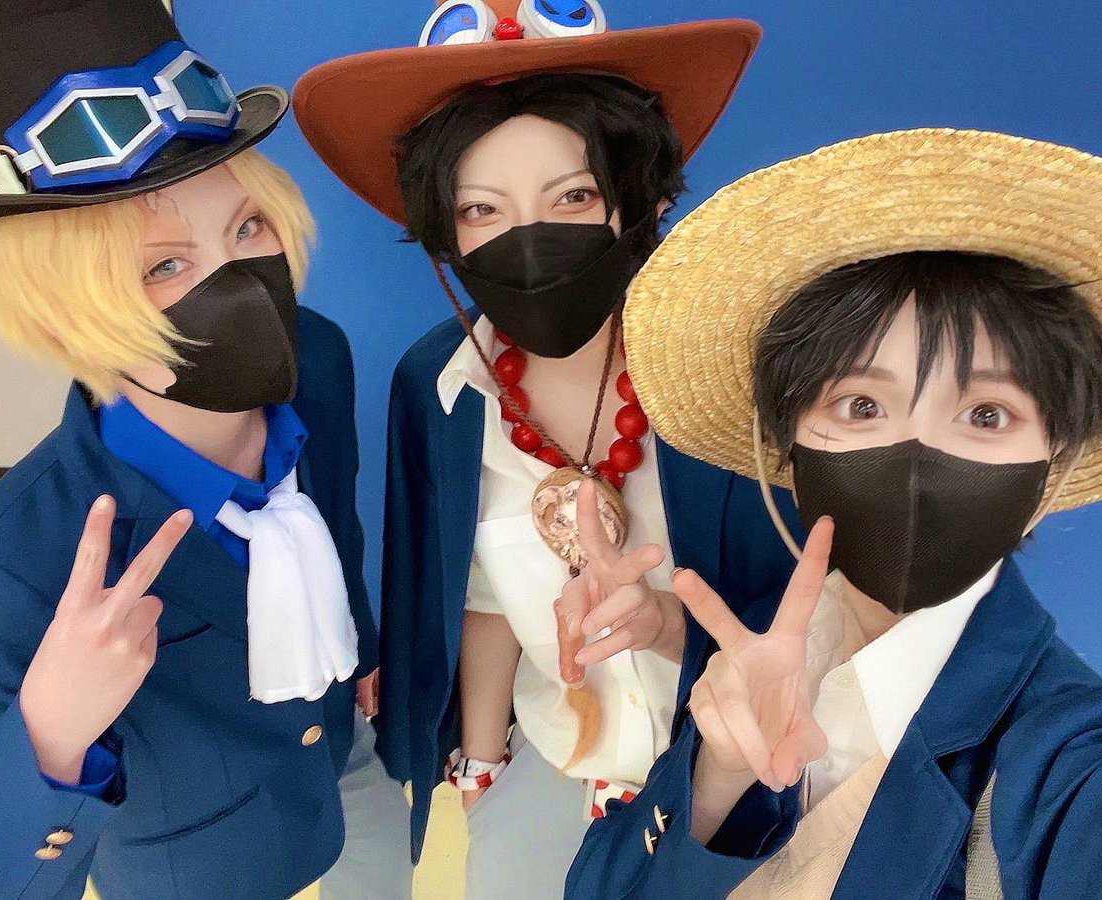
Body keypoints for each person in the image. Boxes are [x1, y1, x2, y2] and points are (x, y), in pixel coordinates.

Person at [292, 3, 800, 896]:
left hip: (751, 766)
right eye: (481, 209)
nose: (528, 238)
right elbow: (478, 592)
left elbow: (815, 592)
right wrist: (481, 764)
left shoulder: (740, 368)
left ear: (642, 199)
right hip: (554, 767)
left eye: (574, 197)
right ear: (446, 233)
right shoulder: (441, 388)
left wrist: (666, 625)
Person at [566, 128, 1102, 898]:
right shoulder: (757, 645)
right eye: (862, 405)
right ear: (786, 446)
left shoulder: (1085, 760)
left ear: (1054, 463)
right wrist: (716, 780)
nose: (918, 459)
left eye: (986, 415)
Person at [0, 2, 410, 897]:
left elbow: (332, 515)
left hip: (345, 760)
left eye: (247, 228)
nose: (240, 280)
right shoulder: (16, 555)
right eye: (164, 266)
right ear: (65, 314)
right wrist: (51, 735)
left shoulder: (314, 358)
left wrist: (362, 638)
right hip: (202, 864)